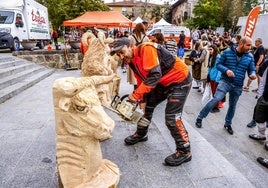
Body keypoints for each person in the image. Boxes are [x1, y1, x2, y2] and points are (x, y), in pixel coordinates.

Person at [110, 38, 192, 166]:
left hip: (180, 80)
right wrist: (141, 98)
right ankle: (141, 134)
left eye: (122, 52)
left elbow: (154, 75)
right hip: (162, 83)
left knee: (171, 117)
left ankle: (184, 150)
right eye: (118, 54)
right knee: (146, 107)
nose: (121, 56)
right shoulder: (131, 61)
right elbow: (141, 80)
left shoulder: (146, 49)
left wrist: (136, 95)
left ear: (131, 46)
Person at [195, 36, 256, 135]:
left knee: (232, 105)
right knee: (216, 98)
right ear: (241, 44)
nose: (250, 47)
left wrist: (252, 74)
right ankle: (200, 117)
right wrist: (226, 70)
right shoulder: (227, 52)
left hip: (238, 85)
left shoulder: (250, 56)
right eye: (248, 45)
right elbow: (218, 64)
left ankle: (228, 124)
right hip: (225, 82)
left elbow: (251, 69)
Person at [248, 66, 268, 141]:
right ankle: (261, 135)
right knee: (259, 118)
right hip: (264, 98)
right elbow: (263, 81)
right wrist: (260, 96)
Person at [128, 23, 150, 89]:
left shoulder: (131, 37)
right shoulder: (146, 38)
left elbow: (128, 48)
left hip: (134, 59)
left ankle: (136, 92)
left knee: (135, 78)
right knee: (142, 77)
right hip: (143, 60)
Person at [206, 44, 221, 113]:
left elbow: (219, 69)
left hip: (216, 79)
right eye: (209, 49)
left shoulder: (218, 57)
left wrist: (217, 79)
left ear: (214, 49)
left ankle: (216, 107)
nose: (210, 51)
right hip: (212, 77)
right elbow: (209, 67)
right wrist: (208, 77)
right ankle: (213, 106)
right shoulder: (212, 57)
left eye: (211, 49)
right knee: (213, 92)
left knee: (216, 93)